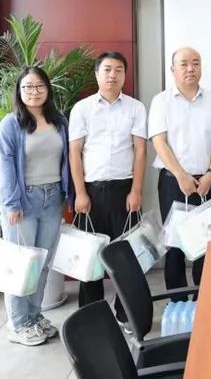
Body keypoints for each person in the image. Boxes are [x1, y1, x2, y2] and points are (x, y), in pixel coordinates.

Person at [68, 52, 147, 325]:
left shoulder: (136, 108)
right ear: (97, 74)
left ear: (125, 74)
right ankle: (92, 316)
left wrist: (136, 190)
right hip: (91, 192)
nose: (113, 75)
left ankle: (126, 315)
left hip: (125, 191)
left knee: (126, 258)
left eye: (118, 70)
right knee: (90, 260)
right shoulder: (82, 109)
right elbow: (75, 152)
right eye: (107, 69)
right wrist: (80, 193)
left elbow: (140, 151)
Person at [0, 66, 70, 346]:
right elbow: (4, 167)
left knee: (42, 264)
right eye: (27, 87)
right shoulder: (10, 125)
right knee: (20, 265)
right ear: (19, 91)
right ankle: (18, 324)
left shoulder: (59, 121)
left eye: (39, 86)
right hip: (23, 201)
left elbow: (67, 161)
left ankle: (34, 317)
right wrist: (11, 203)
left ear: (48, 89)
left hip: (53, 199)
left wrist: (68, 194)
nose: (34, 92)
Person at [148, 47, 211, 300]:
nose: (190, 68)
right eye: (184, 64)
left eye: (196, 63)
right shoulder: (161, 101)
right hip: (174, 182)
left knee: (207, 241)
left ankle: (204, 296)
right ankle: (178, 300)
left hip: (206, 182)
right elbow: (159, 142)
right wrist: (181, 175)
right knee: (176, 243)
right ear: (173, 70)